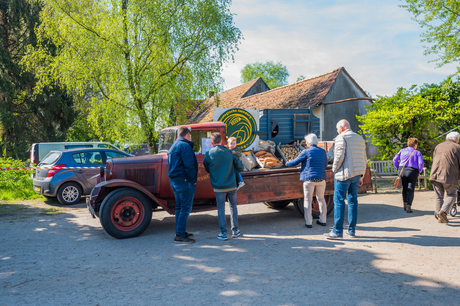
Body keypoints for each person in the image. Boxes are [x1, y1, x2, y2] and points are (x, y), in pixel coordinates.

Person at [324, 119, 367, 240]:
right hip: (357, 174)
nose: (337, 131)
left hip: (344, 174)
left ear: (342, 128)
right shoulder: (359, 138)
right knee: (353, 201)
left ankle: (337, 231)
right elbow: (364, 158)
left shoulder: (341, 138)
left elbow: (339, 156)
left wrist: (334, 169)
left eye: (337, 129)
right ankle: (351, 230)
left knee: (339, 201)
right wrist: (362, 175)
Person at [204, 132, 245, 241]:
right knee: (233, 206)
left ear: (212, 142)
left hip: (218, 186)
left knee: (221, 208)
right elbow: (240, 167)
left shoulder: (208, 154)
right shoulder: (230, 153)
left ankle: (223, 233)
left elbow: (207, 168)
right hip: (231, 184)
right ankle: (235, 231)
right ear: (222, 141)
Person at [286, 133, 328, 228]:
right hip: (321, 179)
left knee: (308, 200)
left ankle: (309, 223)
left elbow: (295, 161)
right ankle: (323, 220)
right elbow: (325, 164)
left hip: (309, 179)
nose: (306, 144)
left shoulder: (306, 151)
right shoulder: (322, 151)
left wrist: (287, 163)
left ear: (308, 142)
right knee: (321, 199)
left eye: (306, 142)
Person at [167, 126, 198, 243]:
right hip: (184, 181)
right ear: (187, 135)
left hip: (175, 181)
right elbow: (189, 166)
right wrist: (193, 180)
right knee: (185, 208)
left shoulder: (173, 146)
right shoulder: (185, 146)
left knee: (179, 207)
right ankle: (180, 234)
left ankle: (180, 231)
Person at [429, 131, 460, 224]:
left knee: (439, 196)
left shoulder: (438, 146)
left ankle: (439, 216)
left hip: (435, 174)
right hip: (448, 175)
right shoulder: (457, 147)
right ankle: (443, 212)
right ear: (456, 139)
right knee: (452, 195)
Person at [393, 138, 424, 213]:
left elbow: (394, 160)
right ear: (415, 145)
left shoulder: (402, 150)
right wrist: (419, 171)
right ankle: (409, 207)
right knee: (411, 189)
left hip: (402, 170)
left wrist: (398, 168)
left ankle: (404, 204)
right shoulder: (417, 152)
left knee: (404, 188)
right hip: (412, 171)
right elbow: (421, 163)